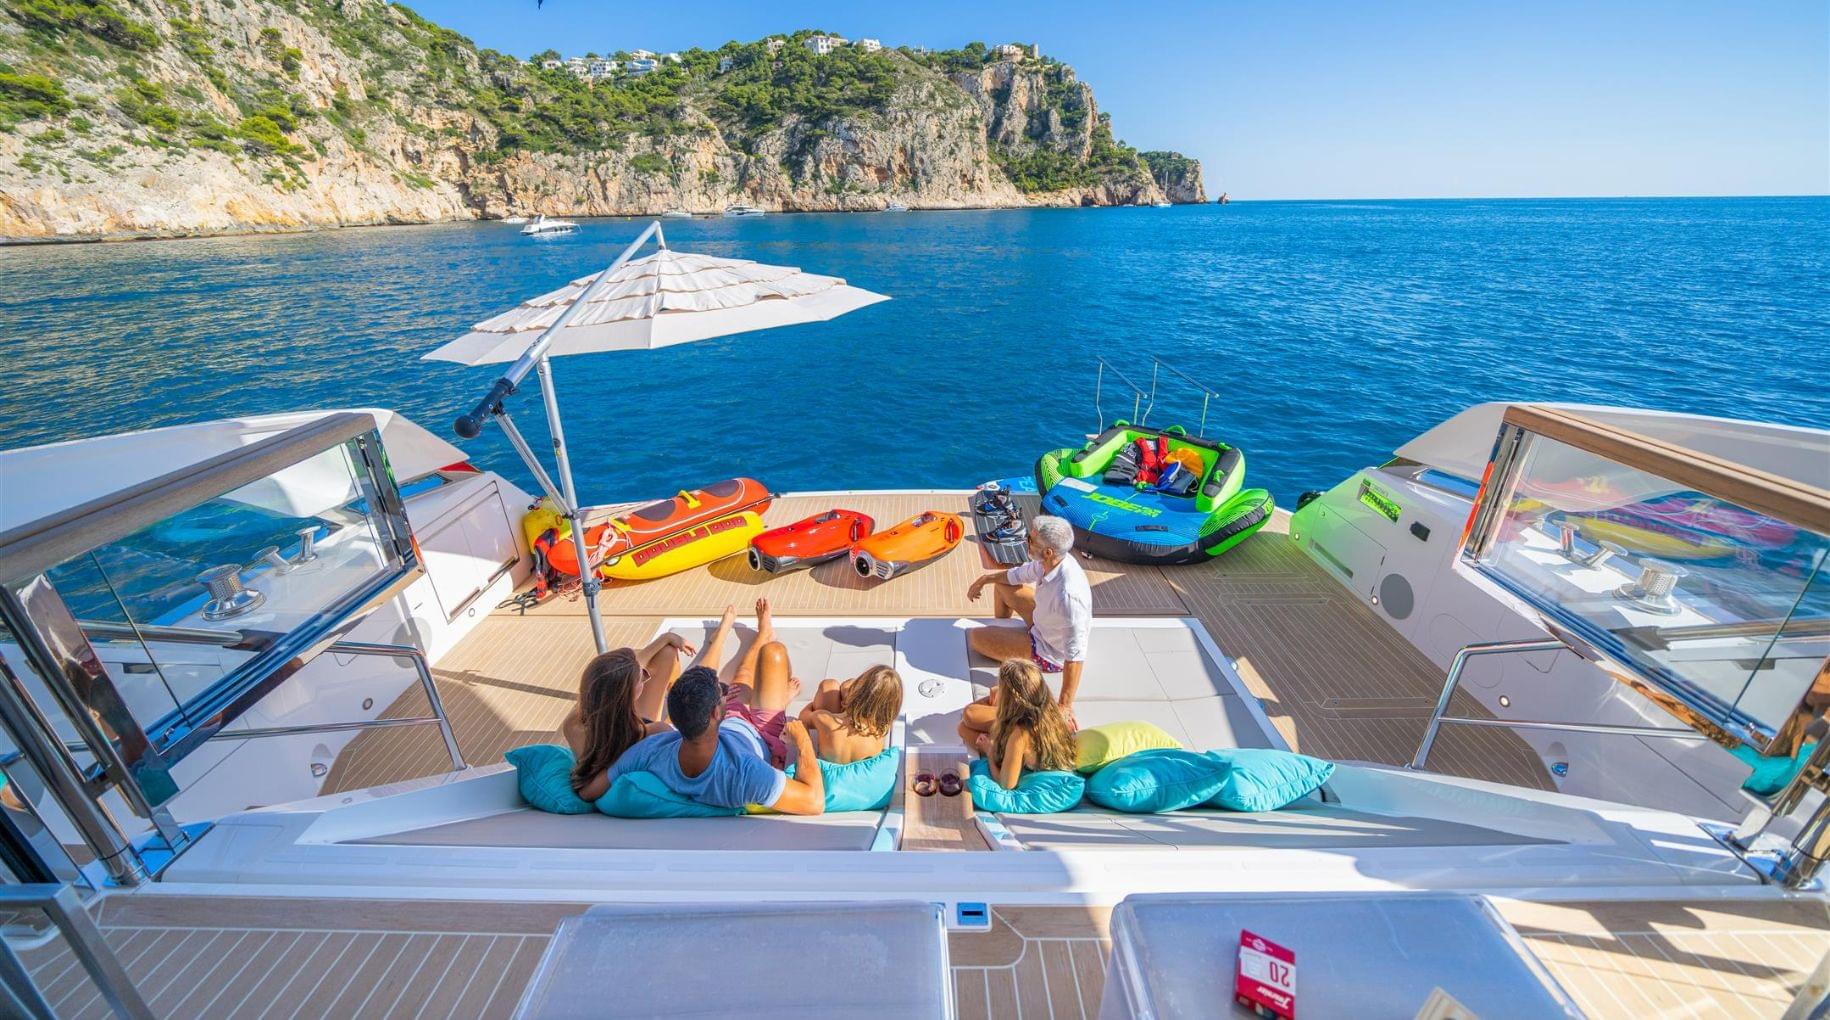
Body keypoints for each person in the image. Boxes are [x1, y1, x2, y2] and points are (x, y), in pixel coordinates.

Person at [604, 665, 825, 814]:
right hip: (764, 735)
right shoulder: (746, 773)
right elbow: (814, 802)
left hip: (731, 725)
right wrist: (803, 739)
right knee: (773, 654)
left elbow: (590, 790)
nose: (724, 696)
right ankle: (780, 703)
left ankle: (772, 692)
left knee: (745, 677)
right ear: (715, 713)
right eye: (722, 696)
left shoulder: (653, 749)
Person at [964, 514, 1092, 733]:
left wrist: (1064, 706)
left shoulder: (1069, 598)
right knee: (1002, 585)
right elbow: (1017, 575)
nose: (1026, 541)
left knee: (975, 638)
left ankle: (1005, 640)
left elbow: (1075, 655)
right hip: (1043, 620)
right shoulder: (1050, 563)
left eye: (1030, 540)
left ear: (1048, 552)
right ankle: (1004, 634)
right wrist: (985, 579)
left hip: (1047, 649)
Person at [562, 632, 693, 800]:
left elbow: (611, 678)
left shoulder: (572, 725)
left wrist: (665, 638)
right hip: (636, 738)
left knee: (666, 651)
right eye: (642, 678)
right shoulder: (655, 732)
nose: (645, 677)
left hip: (617, 739)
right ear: (627, 696)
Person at [959, 659, 1077, 790]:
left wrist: (990, 751)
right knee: (965, 723)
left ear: (1008, 698)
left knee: (963, 728)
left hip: (1023, 758)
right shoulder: (1050, 709)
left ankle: (995, 737)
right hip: (1034, 748)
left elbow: (1007, 784)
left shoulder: (1020, 733)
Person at [798, 665, 903, 764]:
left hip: (829, 765)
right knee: (848, 684)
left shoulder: (824, 719)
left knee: (829, 685)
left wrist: (816, 708)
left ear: (858, 694)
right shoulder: (881, 730)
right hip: (856, 768)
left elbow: (803, 717)